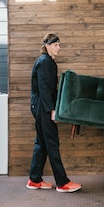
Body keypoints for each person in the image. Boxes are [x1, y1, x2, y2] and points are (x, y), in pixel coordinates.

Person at [26, 33, 82, 193]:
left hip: (39, 106)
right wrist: (52, 111)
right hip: (43, 107)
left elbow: (49, 89)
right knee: (52, 143)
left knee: (42, 143)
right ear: (48, 46)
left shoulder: (47, 62)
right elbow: (44, 90)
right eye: (56, 45)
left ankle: (34, 179)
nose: (59, 47)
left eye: (59, 45)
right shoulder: (45, 63)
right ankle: (62, 183)